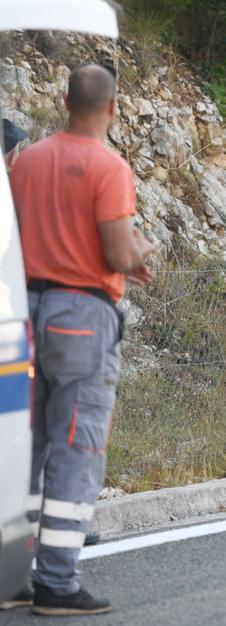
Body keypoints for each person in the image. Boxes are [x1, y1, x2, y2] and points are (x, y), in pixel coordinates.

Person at [7, 63, 154, 616]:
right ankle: (58, 583)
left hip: (25, 311)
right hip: (80, 317)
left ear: (65, 100)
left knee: (28, 445)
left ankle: (12, 576)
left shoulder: (29, 161)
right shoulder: (108, 166)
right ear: (112, 108)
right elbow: (118, 252)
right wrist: (140, 255)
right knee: (77, 446)